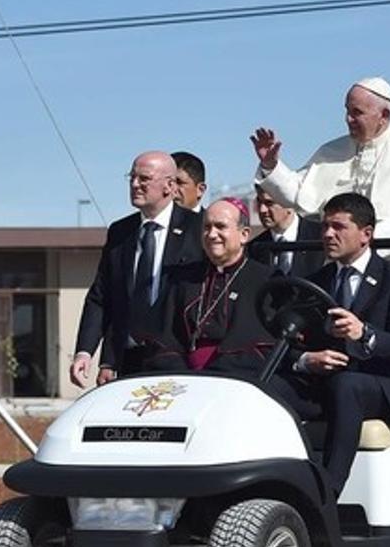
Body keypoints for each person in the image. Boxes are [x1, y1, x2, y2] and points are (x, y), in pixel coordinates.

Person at [272, 193, 390, 496]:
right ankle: (272, 484)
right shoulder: (315, 281)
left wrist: (364, 333)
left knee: (347, 385)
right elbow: (294, 340)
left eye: (338, 227)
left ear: (366, 234)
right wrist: (306, 360)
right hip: (326, 381)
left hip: (382, 384)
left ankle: (327, 492)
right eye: (325, 226)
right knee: (267, 388)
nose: (327, 234)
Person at [250, 77, 390, 269]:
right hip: (341, 268)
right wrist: (271, 165)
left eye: (357, 112)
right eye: (347, 111)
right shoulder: (331, 151)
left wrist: (361, 240)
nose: (348, 119)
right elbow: (297, 194)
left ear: (384, 115)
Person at [70, 151, 203, 388]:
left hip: (180, 363)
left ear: (169, 185)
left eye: (144, 179)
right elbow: (102, 297)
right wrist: (86, 352)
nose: (134, 185)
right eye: (131, 178)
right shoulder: (120, 232)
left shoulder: (198, 230)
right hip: (128, 362)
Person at [135, 198, 276, 376]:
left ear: (244, 234)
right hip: (180, 378)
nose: (211, 234)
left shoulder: (264, 279)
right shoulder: (183, 278)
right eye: (206, 227)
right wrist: (181, 372)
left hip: (236, 381)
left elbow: (261, 346)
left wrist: (213, 374)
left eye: (220, 227)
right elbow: (161, 339)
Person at [249, 185, 326, 278]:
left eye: (269, 203)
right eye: (259, 202)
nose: (262, 210)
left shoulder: (322, 237)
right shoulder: (254, 249)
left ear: (289, 204)